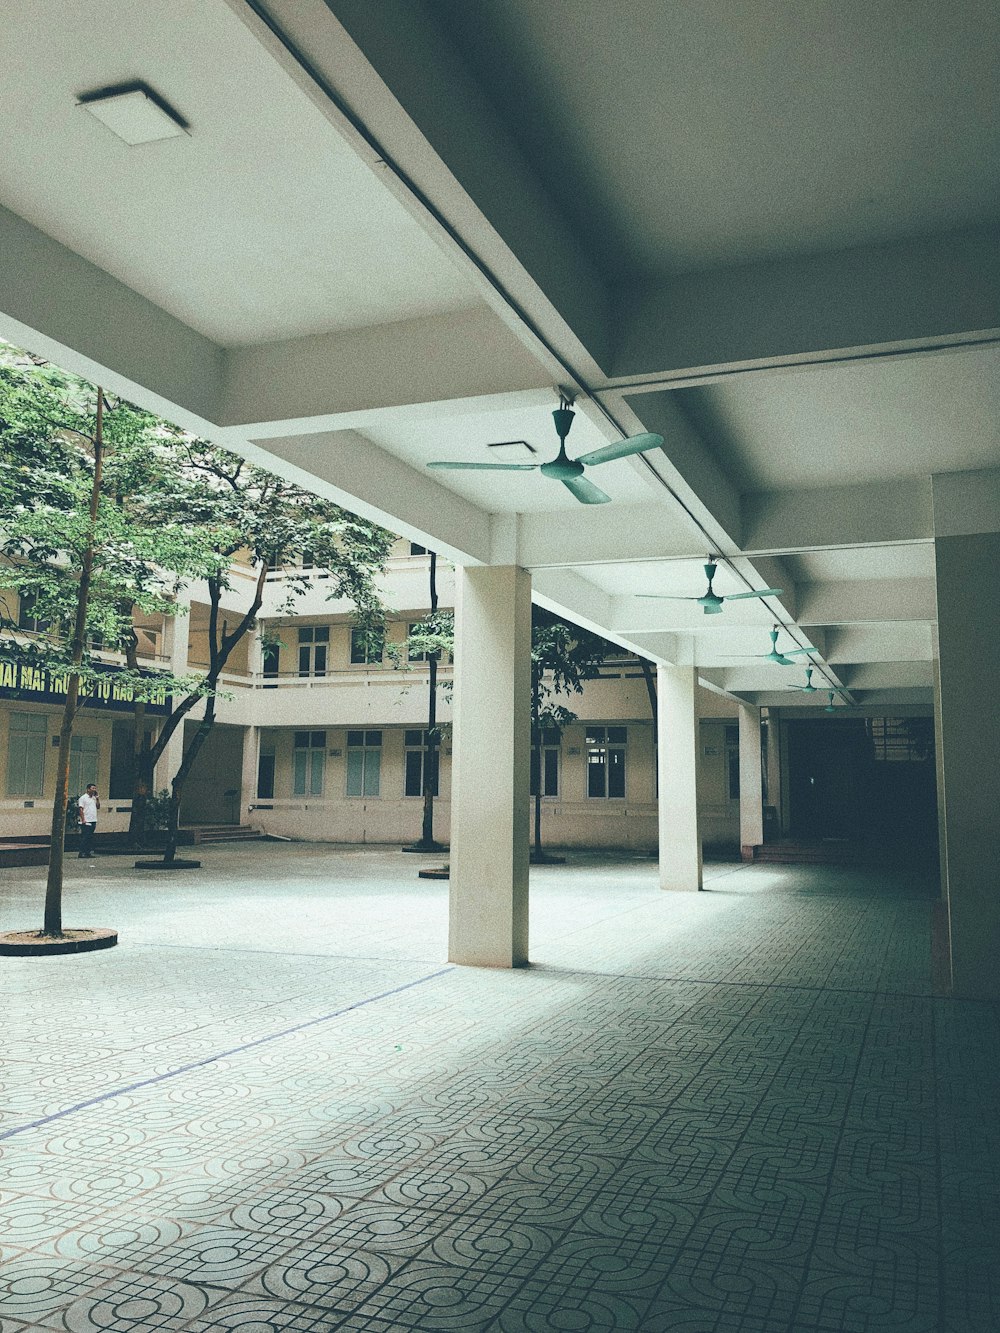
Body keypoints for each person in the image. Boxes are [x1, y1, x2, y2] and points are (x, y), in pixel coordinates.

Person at [77, 783, 100, 858]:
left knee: (90, 837)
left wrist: (97, 799)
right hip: (86, 820)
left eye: (95, 788)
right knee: (85, 837)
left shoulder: (94, 798)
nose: (94, 790)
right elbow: (80, 809)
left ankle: (88, 852)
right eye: (92, 788)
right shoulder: (83, 798)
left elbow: (98, 806)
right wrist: (83, 819)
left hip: (93, 819)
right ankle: (81, 852)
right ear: (88, 789)